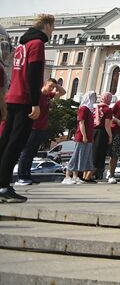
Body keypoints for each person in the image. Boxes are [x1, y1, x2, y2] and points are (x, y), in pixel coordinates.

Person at [0, 13, 54, 203]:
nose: (52, 32)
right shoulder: (37, 44)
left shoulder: (23, 44)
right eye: (52, 28)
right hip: (24, 99)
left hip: (12, 95)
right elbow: (33, 73)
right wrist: (35, 102)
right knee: (16, 144)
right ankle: (4, 186)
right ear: (47, 26)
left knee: (6, 141)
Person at [15, 77, 62, 187]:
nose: (52, 88)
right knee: (26, 153)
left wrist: (56, 85)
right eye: (50, 86)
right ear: (44, 84)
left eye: (53, 87)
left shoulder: (48, 96)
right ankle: (21, 176)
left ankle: (27, 175)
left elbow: (62, 92)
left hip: (41, 128)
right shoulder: (38, 96)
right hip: (33, 128)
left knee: (32, 154)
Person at [67, 91, 98, 184]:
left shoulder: (89, 109)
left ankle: (75, 176)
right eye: (94, 97)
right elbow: (81, 123)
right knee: (76, 156)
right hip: (81, 136)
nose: (95, 98)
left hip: (87, 137)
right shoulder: (83, 108)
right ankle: (68, 175)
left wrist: (90, 137)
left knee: (81, 157)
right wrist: (84, 136)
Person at [90, 92, 113, 182]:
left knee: (93, 152)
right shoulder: (107, 110)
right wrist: (110, 136)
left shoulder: (95, 108)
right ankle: (95, 173)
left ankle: (89, 172)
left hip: (93, 131)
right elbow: (107, 124)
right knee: (99, 153)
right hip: (101, 132)